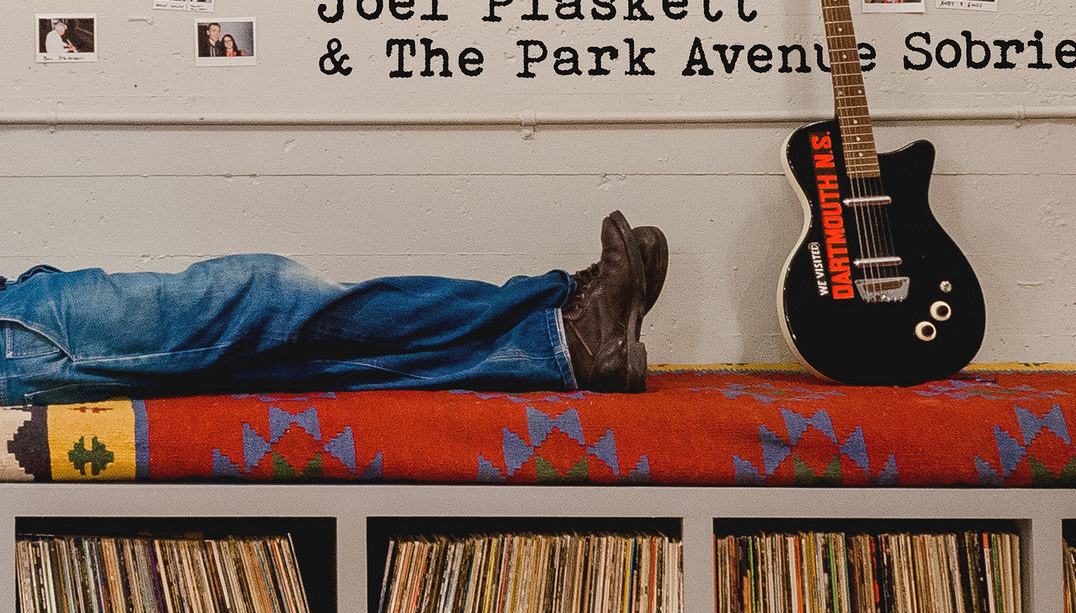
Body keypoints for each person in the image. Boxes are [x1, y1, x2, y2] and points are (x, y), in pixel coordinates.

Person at [0, 211, 668, 404]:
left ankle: (572, 349)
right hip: (15, 336)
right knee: (265, 297)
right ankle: (560, 311)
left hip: (15, 320)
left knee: (308, 356)